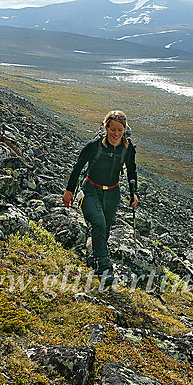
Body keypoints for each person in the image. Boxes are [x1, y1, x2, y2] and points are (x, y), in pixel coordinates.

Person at [62, 110, 139, 276]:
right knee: (99, 222)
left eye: (120, 130)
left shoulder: (127, 148)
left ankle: (95, 258)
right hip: (90, 190)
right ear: (106, 128)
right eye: (112, 129)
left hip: (112, 193)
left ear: (125, 129)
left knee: (105, 230)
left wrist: (134, 193)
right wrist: (69, 191)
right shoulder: (94, 146)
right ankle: (105, 268)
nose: (116, 133)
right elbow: (77, 168)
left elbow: (132, 171)